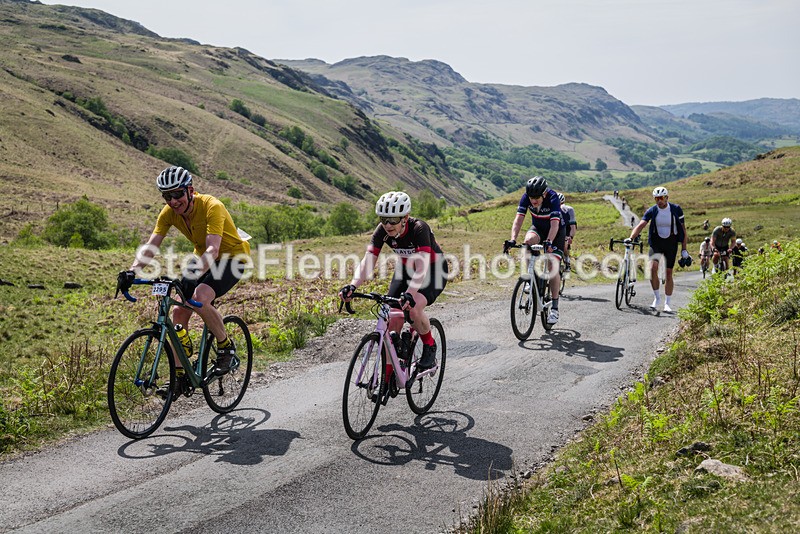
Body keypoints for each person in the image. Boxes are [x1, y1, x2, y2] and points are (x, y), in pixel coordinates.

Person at [117, 166, 251, 397]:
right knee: (179, 310)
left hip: (232, 258)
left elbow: (213, 248)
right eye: (167, 196)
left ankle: (225, 348)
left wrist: (191, 276)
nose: (173, 201)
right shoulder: (168, 213)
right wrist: (132, 271)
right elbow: (151, 246)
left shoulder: (212, 206)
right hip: (204, 260)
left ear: (190, 190)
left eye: (177, 194)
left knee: (200, 297)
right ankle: (180, 377)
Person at [339, 192, 448, 371]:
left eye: (394, 220)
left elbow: (422, 268)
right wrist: (353, 285)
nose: (388, 225)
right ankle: (388, 377)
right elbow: (368, 261)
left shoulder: (419, 228)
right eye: (384, 219)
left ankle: (429, 346)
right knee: (392, 317)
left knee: (413, 308)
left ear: (405, 217)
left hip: (432, 271)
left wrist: (410, 295)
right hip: (405, 270)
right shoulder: (382, 230)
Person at [503, 176, 565, 324]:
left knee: (552, 266)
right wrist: (512, 239)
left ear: (544, 194)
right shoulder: (526, 198)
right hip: (538, 228)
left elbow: (555, 225)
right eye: (531, 197)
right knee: (527, 242)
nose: (533, 200)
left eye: (537, 197)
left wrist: (549, 242)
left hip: (555, 232)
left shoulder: (553, 198)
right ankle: (531, 278)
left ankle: (555, 308)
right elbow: (518, 220)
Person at [628, 186, 688, 312]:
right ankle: (656, 298)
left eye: (661, 198)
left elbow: (683, 230)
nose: (659, 201)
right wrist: (631, 237)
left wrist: (684, 249)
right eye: (656, 199)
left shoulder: (676, 209)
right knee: (652, 268)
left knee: (669, 273)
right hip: (656, 243)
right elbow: (641, 225)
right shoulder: (652, 210)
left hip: (671, 243)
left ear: (667, 198)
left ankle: (668, 303)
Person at [557, 192, 577, 271]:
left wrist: (570, 237)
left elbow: (573, 227)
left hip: (567, 226)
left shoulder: (569, 210)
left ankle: (567, 260)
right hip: (557, 226)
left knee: (564, 244)